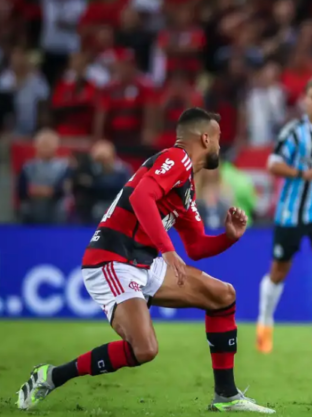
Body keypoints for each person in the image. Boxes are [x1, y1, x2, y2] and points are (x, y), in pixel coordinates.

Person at [16, 109, 275, 414]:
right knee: (145, 349)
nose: (220, 146)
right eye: (218, 138)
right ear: (206, 138)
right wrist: (167, 251)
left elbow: (195, 246)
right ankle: (50, 376)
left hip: (144, 262)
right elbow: (141, 198)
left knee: (222, 296)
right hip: (113, 259)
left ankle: (226, 396)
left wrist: (229, 238)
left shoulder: (186, 186)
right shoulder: (177, 159)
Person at [255, 77, 312, 354]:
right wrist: (302, 174)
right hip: (290, 212)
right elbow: (273, 164)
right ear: (305, 101)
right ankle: (265, 323)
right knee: (279, 272)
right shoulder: (293, 132)